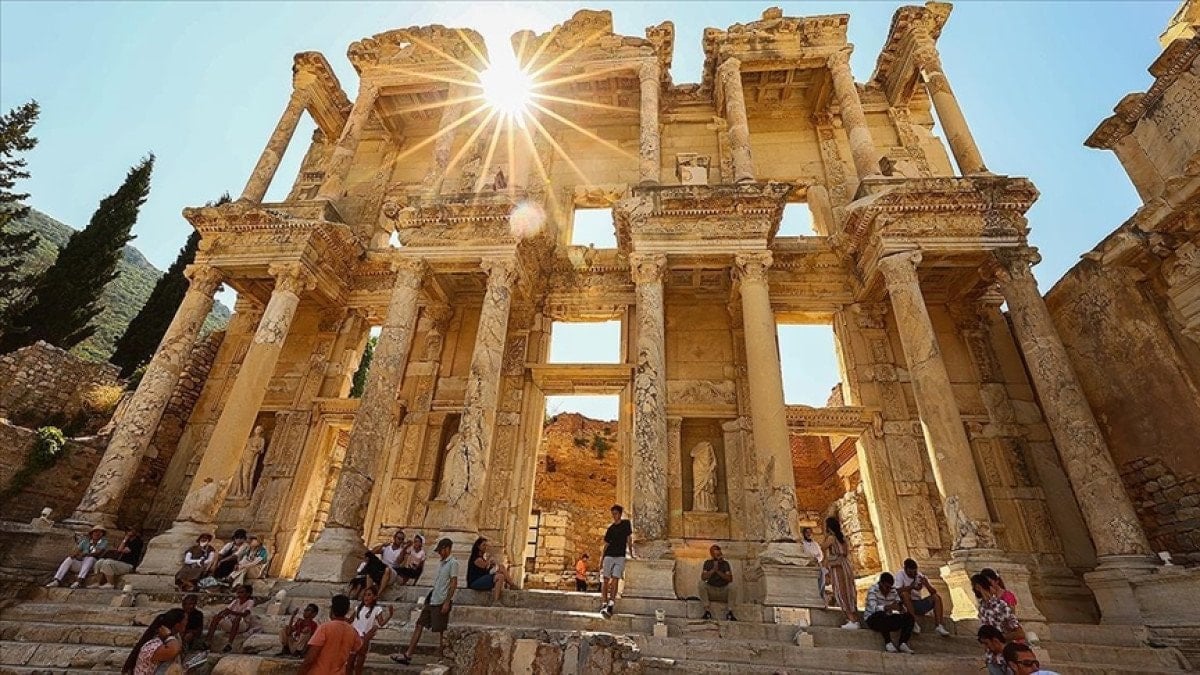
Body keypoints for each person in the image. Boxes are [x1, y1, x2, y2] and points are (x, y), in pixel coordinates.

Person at [391, 538, 457, 665]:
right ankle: (408, 655)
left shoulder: (453, 563)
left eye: (441, 550)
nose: (439, 553)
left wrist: (447, 602)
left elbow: (453, 583)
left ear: (447, 548)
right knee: (419, 624)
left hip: (441, 600)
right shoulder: (442, 563)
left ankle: (442, 659)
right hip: (432, 598)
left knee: (441, 631)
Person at [300, 594, 361, 675]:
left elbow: (310, 658)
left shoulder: (324, 628)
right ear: (347, 611)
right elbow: (357, 649)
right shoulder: (352, 631)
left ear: (332, 609)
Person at [894, 558, 950, 637]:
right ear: (905, 570)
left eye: (914, 572)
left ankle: (939, 626)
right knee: (905, 594)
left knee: (936, 597)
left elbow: (933, 592)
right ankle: (913, 622)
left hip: (918, 604)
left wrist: (926, 584)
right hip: (905, 605)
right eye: (910, 572)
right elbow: (897, 591)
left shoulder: (919, 575)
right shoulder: (900, 575)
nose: (913, 574)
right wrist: (911, 587)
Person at [122, 608, 187, 675]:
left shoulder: (171, 640)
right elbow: (174, 649)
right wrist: (168, 636)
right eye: (185, 621)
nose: (187, 623)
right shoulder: (154, 645)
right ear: (177, 625)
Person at [863, 572, 915, 653]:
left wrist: (900, 608)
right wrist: (888, 607)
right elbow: (873, 608)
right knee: (881, 614)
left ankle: (903, 643)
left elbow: (898, 604)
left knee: (909, 617)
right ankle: (888, 642)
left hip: (888, 618)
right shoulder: (873, 590)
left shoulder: (893, 590)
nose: (889, 590)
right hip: (874, 619)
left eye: (890, 587)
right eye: (887, 587)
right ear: (881, 584)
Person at [823, 516, 859, 629]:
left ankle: (851, 619)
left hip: (837, 566)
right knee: (849, 591)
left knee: (841, 592)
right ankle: (854, 619)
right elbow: (845, 552)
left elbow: (822, 547)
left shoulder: (831, 538)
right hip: (846, 565)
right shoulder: (843, 538)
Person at [349, 586, 393, 675]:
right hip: (354, 636)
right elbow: (350, 620)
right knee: (350, 662)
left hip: (365, 637)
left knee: (359, 663)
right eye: (365, 595)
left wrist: (390, 615)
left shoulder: (377, 609)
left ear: (375, 597)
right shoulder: (358, 608)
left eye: (369, 595)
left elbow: (381, 623)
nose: (366, 597)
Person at [600, 504, 634, 618]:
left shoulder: (626, 524)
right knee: (605, 580)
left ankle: (611, 604)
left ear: (620, 514)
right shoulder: (610, 528)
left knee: (615, 579)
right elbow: (606, 545)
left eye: (616, 514)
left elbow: (629, 539)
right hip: (609, 556)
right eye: (613, 514)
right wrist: (601, 559)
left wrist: (631, 553)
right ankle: (604, 603)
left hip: (620, 556)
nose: (614, 516)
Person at [205, 583, 259, 652]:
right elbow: (226, 610)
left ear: (248, 594)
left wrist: (231, 612)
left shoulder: (250, 602)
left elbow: (245, 614)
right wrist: (221, 614)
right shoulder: (236, 601)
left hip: (242, 625)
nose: (239, 594)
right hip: (231, 623)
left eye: (242, 592)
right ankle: (208, 641)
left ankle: (229, 644)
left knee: (238, 618)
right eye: (238, 592)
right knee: (216, 617)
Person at [972, 573, 1025, 642]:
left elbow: (1020, 633)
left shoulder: (999, 605)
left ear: (978, 587)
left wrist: (999, 638)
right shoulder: (982, 608)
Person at [699, 544, 737, 621]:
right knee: (701, 584)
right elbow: (703, 577)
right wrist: (713, 570)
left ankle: (730, 612)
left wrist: (718, 571)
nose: (716, 554)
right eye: (714, 553)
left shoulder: (725, 564)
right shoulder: (708, 563)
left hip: (723, 591)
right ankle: (707, 611)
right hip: (712, 591)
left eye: (718, 553)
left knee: (732, 586)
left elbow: (730, 579)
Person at [466, 537, 510, 602]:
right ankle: (496, 601)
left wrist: (494, 565)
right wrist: (489, 559)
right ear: (478, 546)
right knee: (500, 576)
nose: (486, 547)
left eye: (486, 545)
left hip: (483, 579)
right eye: (484, 545)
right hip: (475, 582)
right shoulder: (476, 559)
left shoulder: (483, 559)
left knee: (501, 567)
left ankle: (511, 584)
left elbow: (488, 570)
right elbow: (485, 566)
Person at [800, 527, 825, 604]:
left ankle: (820, 595)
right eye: (807, 532)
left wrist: (817, 559)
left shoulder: (815, 544)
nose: (808, 534)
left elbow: (821, 555)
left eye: (810, 532)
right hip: (807, 564)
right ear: (804, 534)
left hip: (816, 564)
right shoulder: (802, 544)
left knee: (822, 577)